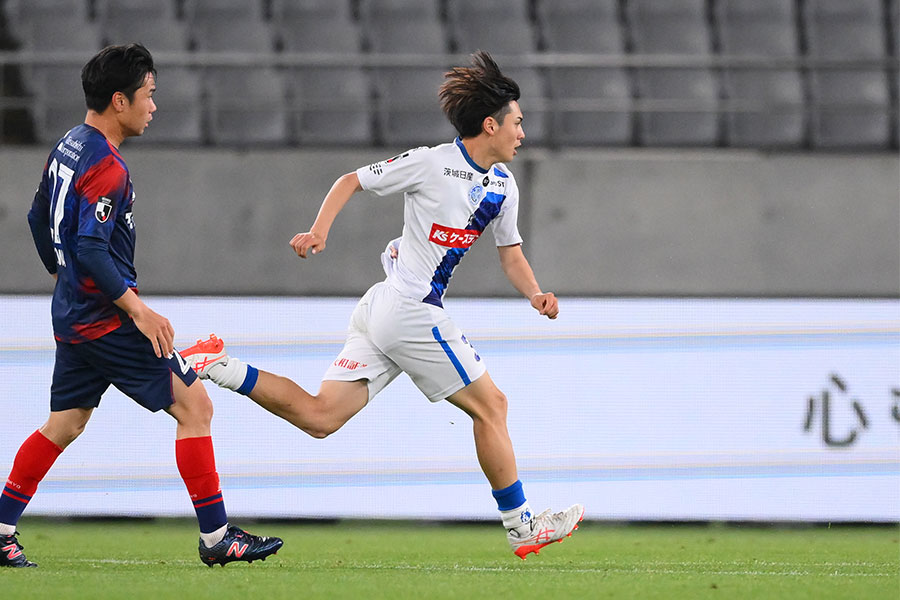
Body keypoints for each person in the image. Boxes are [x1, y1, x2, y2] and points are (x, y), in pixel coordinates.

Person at [183, 51, 583, 560]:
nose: (522, 133)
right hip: (412, 309)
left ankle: (218, 364)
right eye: (517, 122)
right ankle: (521, 525)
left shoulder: (504, 186)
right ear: (491, 124)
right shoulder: (432, 162)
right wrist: (319, 231)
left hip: (385, 308)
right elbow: (351, 179)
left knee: (321, 417)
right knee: (493, 406)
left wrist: (535, 294)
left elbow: (512, 254)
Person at [0, 44, 282, 568]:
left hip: (73, 312)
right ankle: (217, 537)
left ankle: (0, 529)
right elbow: (91, 248)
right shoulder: (108, 167)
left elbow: (38, 216)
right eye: (148, 95)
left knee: (65, 423)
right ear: (119, 100)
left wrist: (60, 275)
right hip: (105, 319)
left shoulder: (68, 143)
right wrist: (138, 310)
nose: (153, 106)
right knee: (195, 407)